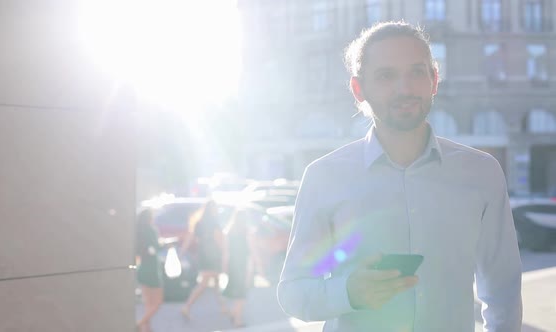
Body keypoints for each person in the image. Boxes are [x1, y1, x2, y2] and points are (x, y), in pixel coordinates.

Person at [277, 21, 522, 332]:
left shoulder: (481, 172)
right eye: (385, 75)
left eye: (417, 72)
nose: (405, 89)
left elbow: (503, 288)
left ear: (434, 79)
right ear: (358, 89)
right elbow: (293, 291)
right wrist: (349, 292)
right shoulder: (324, 177)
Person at [180, 199, 227, 320]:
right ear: (213, 209)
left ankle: (223, 307)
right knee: (205, 283)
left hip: (203, 255)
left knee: (216, 282)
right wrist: (225, 254)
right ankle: (187, 306)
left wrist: (182, 251)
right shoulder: (214, 223)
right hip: (213, 256)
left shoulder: (199, 223)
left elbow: (190, 238)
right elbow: (219, 240)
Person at [222, 209, 253, 328]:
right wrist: (254, 267)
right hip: (242, 265)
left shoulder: (229, 231)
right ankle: (237, 319)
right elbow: (250, 251)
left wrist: (224, 266)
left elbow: (226, 251)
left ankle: (234, 313)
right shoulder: (246, 232)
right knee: (242, 294)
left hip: (232, 265)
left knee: (237, 292)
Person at [135, 209, 164, 332]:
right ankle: (139, 324)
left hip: (142, 268)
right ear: (149, 218)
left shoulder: (138, 231)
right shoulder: (151, 230)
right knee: (157, 301)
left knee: (148, 302)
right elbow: (157, 247)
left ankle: (146, 329)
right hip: (152, 268)